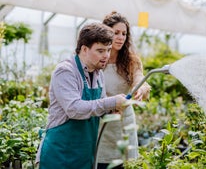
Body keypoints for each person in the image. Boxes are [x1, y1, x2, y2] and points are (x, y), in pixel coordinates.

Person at [35, 22, 127, 169]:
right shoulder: (65, 71)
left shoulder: (98, 74)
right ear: (84, 49)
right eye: (100, 51)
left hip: (84, 155)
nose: (106, 56)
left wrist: (111, 110)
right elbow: (74, 109)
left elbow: (98, 107)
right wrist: (109, 103)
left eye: (108, 50)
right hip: (60, 155)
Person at [96, 11, 151, 169]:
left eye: (124, 33)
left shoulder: (131, 60)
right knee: (101, 162)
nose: (120, 37)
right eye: (116, 33)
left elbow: (139, 77)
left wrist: (140, 88)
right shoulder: (97, 59)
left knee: (124, 163)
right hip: (102, 122)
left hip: (124, 122)